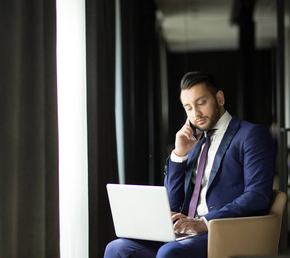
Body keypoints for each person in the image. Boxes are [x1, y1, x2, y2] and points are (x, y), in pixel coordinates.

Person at [104, 71, 276, 258]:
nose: (196, 114)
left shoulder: (250, 135)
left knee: (169, 252)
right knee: (117, 249)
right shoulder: (194, 142)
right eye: (188, 107)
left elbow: (257, 195)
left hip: (222, 232)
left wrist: (205, 222)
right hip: (185, 232)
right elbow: (173, 203)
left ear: (219, 98)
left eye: (201, 103)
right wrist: (179, 155)